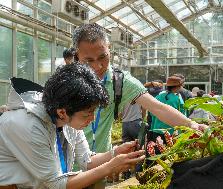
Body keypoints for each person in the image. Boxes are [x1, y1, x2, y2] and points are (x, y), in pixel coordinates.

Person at [0, 63, 145, 188]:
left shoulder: (66, 117)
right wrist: (110, 167)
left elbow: (86, 161)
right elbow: (55, 184)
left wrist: (115, 153)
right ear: (62, 112)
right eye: (87, 113)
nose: (92, 118)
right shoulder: (28, 125)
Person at [72, 23, 208, 155]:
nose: (97, 66)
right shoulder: (67, 83)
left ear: (109, 48)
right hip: (63, 168)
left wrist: (192, 125)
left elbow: (158, 107)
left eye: (103, 57)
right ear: (77, 55)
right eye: (88, 61)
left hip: (100, 165)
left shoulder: (119, 81)